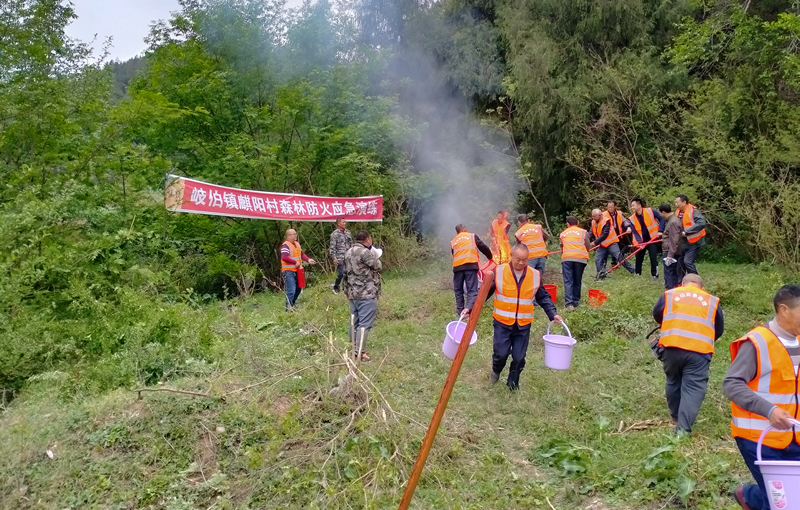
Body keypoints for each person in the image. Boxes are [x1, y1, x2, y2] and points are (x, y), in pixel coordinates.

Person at [725, 285, 800, 510]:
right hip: (759, 438)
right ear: (784, 310)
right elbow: (731, 384)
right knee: (782, 503)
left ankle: (750, 496)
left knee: (790, 495)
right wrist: (769, 410)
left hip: (793, 437)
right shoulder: (757, 343)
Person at [483, 244, 563, 390]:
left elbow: (543, 297)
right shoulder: (499, 272)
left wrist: (553, 314)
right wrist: (471, 307)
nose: (521, 263)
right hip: (502, 322)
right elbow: (484, 293)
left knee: (519, 357)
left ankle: (513, 383)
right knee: (501, 353)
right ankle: (496, 370)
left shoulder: (534, 275)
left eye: (524, 260)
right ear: (511, 256)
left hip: (523, 324)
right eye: (518, 259)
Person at [652, 274, 724, 434]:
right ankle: (682, 430)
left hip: (671, 346)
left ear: (682, 284)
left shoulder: (670, 294)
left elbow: (657, 314)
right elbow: (719, 329)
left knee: (672, 380)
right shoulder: (712, 301)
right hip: (699, 351)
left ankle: (675, 416)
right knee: (693, 387)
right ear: (702, 287)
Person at [343, 230, 382, 362]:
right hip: (366, 293)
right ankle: (359, 352)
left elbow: (345, 274)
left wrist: (346, 291)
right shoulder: (366, 252)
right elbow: (378, 266)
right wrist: (374, 254)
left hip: (353, 294)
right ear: (367, 239)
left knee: (355, 323)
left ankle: (353, 348)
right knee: (364, 324)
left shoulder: (348, 252)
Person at [451, 224, 493, 316]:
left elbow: (454, 253)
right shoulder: (471, 236)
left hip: (457, 268)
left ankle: (460, 312)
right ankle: (469, 311)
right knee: (472, 290)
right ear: (465, 229)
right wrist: (490, 257)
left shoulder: (453, 241)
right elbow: (483, 247)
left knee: (458, 290)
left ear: (457, 232)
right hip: (470, 266)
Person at [629, 198, 665, 281]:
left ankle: (655, 275)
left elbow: (662, 219)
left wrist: (660, 231)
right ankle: (638, 275)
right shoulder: (632, 218)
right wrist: (640, 244)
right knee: (639, 259)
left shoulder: (651, 211)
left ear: (639, 205)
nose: (632, 207)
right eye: (631, 206)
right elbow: (635, 232)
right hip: (641, 241)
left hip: (652, 239)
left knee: (653, 258)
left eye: (633, 205)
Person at [559, 216, 591, 310]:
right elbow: (588, 245)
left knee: (568, 281)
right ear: (577, 223)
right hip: (580, 259)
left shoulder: (563, 234)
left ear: (567, 224)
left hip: (567, 259)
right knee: (577, 281)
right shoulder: (583, 232)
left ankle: (569, 304)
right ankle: (576, 302)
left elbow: (562, 246)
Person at [280, 229, 316, 311]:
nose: (296, 235)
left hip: (297, 270)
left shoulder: (297, 244)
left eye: (296, 234)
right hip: (288, 271)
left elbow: (301, 254)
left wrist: (308, 259)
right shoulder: (285, 245)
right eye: (293, 234)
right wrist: (294, 262)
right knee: (291, 290)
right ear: (288, 236)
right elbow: (284, 257)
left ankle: (292, 304)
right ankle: (288, 308)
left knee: (299, 288)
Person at [590, 208, 633, 276]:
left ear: (600, 215)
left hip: (611, 243)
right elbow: (591, 233)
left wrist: (595, 242)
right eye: (592, 216)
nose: (593, 218)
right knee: (598, 259)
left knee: (619, 258)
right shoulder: (593, 222)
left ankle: (633, 271)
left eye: (594, 216)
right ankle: (601, 274)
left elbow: (605, 234)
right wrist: (587, 241)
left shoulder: (606, 221)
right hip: (602, 245)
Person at [674, 194, 707, 276]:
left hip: (694, 241)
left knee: (687, 262)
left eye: (677, 202)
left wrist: (686, 231)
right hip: (682, 241)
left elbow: (702, 223)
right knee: (680, 262)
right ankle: (681, 283)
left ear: (684, 202)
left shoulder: (693, 211)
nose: (676, 205)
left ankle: (696, 281)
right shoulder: (678, 211)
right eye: (675, 203)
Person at [659, 203, 684, 290]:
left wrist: (670, 256)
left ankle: (670, 291)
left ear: (663, 212)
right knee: (672, 272)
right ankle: (673, 289)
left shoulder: (673, 221)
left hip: (671, 251)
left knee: (670, 272)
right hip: (671, 250)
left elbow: (674, 240)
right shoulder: (672, 220)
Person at [329, 217, 353, 295]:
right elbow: (332, 247)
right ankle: (336, 286)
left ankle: (346, 288)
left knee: (348, 273)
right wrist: (334, 258)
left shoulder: (348, 232)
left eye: (345, 222)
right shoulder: (334, 234)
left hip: (348, 256)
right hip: (340, 256)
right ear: (338, 223)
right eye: (343, 222)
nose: (344, 223)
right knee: (341, 273)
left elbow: (351, 244)